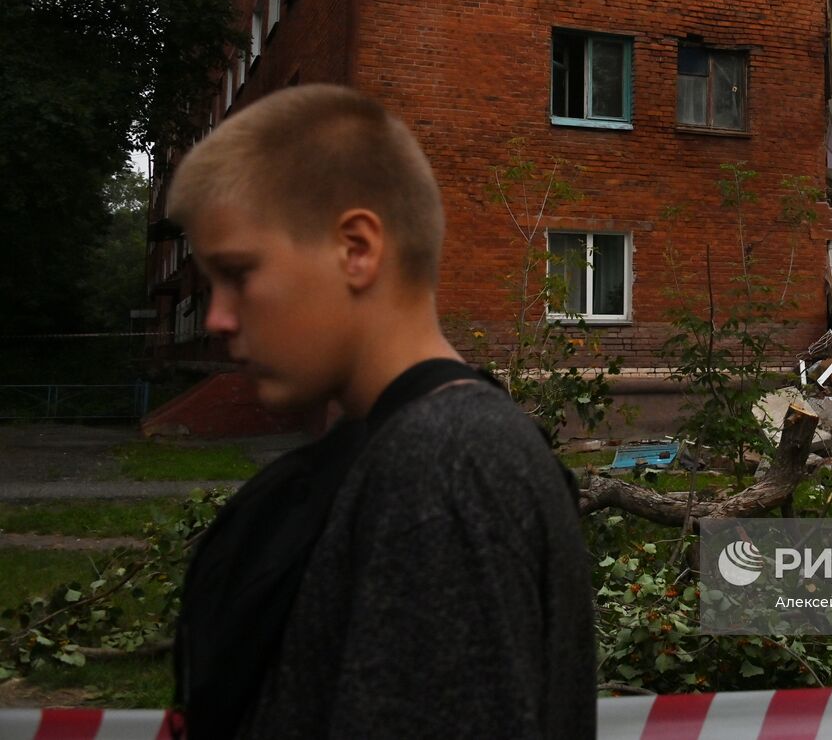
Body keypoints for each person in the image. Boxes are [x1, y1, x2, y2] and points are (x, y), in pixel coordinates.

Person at [166, 84, 596, 738]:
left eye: (239, 273)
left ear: (357, 250)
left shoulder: (446, 461)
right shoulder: (422, 447)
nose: (220, 318)